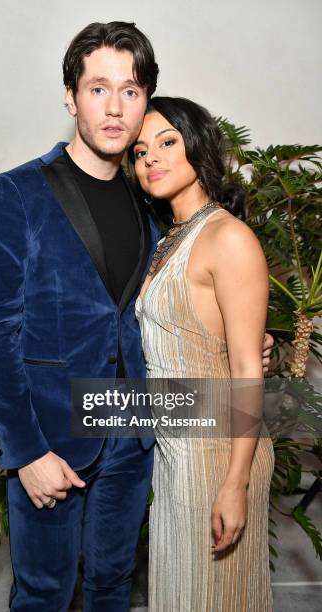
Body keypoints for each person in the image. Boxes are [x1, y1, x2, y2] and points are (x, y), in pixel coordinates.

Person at [0, 22, 273, 612]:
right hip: (51, 440)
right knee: (43, 592)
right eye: (98, 88)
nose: (114, 107)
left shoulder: (153, 201)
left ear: (146, 101)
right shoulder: (16, 194)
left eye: (130, 90)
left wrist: (239, 358)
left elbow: (169, 314)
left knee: (113, 588)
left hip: (133, 436)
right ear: (70, 96)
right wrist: (25, 451)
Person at [132, 96, 275, 611]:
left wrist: (235, 482)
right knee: (180, 594)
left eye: (167, 142)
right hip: (176, 451)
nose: (151, 158)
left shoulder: (227, 238)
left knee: (216, 597)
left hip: (218, 453)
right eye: (140, 150)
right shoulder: (169, 237)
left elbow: (244, 369)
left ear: (198, 146)